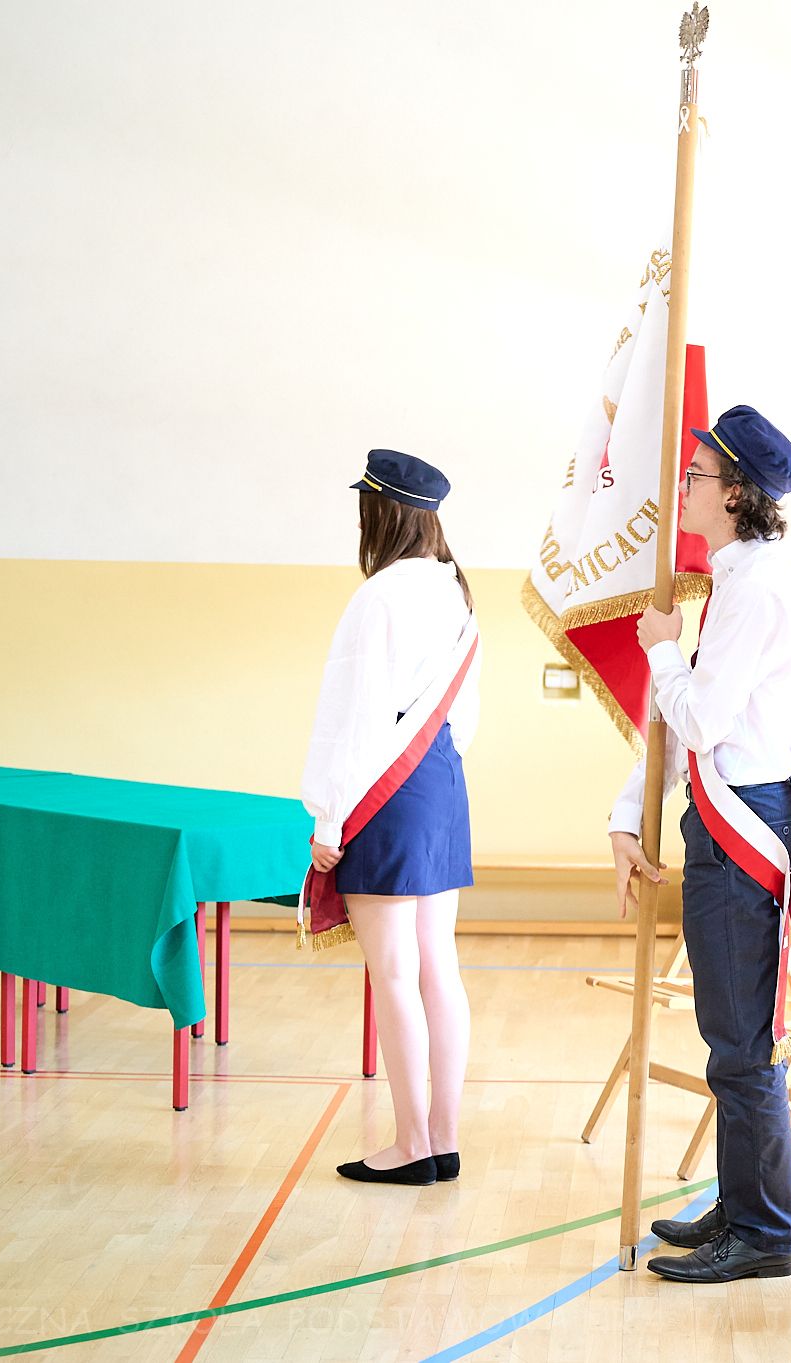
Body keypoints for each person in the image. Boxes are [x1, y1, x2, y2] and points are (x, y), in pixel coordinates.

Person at [608, 405, 791, 1283]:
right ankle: (743, 1204)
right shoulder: (740, 579)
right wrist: (626, 814)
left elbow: (700, 719)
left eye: (697, 475)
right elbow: (697, 728)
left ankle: (765, 1231)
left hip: (742, 822)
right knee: (728, 1032)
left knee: (743, 1040)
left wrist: (663, 651)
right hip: (724, 812)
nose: (684, 486)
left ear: (737, 494)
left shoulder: (756, 588)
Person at [300, 449, 482, 1188]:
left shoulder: (378, 597)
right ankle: (443, 1137)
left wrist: (329, 819)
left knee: (395, 974)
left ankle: (410, 1144)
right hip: (440, 783)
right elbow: (464, 717)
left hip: (385, 790)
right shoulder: (457, 594)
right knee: (439, 968)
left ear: (380, 512)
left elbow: (352, 718)